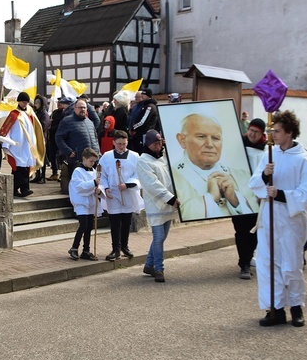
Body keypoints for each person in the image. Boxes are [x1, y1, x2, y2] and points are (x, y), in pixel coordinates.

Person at [248, 110, 307, 327]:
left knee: (290, 264)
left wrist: (281, 194)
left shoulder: (305, 159)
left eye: (277, 131)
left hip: (291, 219)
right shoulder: (269, 154)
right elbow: (254, 184)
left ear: (289, 132)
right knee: (268, 264)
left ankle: (296, 307)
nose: (273, 135)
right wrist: (263, 175)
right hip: (269, 217)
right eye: (272, 130)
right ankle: (275, 310)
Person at [171, 113, 258, 221]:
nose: (210, 144)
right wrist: (210, 198)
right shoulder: (172, 178)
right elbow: (178, 218)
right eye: (201, 136)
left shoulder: (242, 176)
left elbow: (257, 212)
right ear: (182, 140)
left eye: (216, 138)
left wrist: (234, 199)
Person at [137, 129, 179, 282]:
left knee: (162, 237)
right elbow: (152, 184)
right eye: (155, 143)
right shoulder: (143, 161)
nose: (158, 146)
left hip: (169, 203)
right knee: (159, 237)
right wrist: (170, 198)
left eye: (160, 142)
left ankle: (149, 265)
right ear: (148, 144)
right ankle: (159, 269)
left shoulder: (163, 158)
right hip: (156, 204)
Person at [99, 131, 143, 261]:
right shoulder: (106, 157)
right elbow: (101, 174)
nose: (121, 146)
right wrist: (105, 188)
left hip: (127, 193)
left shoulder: (135, 156)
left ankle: (125, 246)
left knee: (126, 222)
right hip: (113, 194)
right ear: (113, 142)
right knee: (115, 223)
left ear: (127, 142)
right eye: (119, 144)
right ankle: (115, 249)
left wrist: (128, 184)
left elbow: (139, 173)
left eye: (124, 144)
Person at [232, 118, 267, 279]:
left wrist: (263, 193)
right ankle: (244, 264)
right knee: (240, 231)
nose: (253, 134)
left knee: (254, 231)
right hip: (238, 196)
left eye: (257, 132)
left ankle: (248, 256)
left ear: (262, 134)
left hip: (256, 198)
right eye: (251, 130)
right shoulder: (237, 147)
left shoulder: (266, 152)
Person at [0, 92, 39, 198]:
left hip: (26, 145)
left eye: (26, 102)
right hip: (17, 145)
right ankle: (24, 188)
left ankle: (17, 188)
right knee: (19, 168)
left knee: (25, 167)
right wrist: (6, 143)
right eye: (23, 102)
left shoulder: (28, 114)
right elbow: (6, 129)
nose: (25, 104)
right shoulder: (13, 114)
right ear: (19, 101)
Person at [68, 147, 102, 261]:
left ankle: (86, 250)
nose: (92, 163)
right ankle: (74, 248)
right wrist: (93, 183)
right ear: (84, 158)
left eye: (94, 161)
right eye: (91, 161)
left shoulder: (93, 171)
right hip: (81, 202)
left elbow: (96, 186)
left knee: (89, 227)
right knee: (83, 225)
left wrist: (98, 190)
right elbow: (79, 187)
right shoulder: (77, 171)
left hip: (91, 202)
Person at [55, 99, 100, 173]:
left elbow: (95, 138)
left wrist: (97, 150)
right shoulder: (66, 121)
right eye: (80, 107)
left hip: (93, 161)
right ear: (75, 108)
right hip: (77, 161)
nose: (82, 109)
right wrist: (68, 151)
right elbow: (59, 138)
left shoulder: (89, 122)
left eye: (84, 108)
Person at [46, 97, 72, 181]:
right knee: (52, 155)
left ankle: (62, 173)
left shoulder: (65, 113)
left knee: (62, 156)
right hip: (53, 137)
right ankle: (54, 172)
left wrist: (51, 128)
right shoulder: (55, 112)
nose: (59, 104)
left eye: (61, 103)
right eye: (58, 102)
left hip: (61, 137)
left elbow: (62, 125)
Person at [129, 88, 160, 154]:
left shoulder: (150, 107)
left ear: (148, 95)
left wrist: (133, 128)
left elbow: (143, 121)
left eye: (144, 94)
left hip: (145, 134)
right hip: (141, 133)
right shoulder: (145, 105)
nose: (142, 96)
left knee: (142, 152)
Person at [30, 94, 50, 183]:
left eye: (38, 102)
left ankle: (43, 176)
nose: (36, 104)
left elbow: (43, 126)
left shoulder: (44, 114)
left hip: (42, 139)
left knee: (42, 158)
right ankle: (37, 175)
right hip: (35, 138)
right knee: (36, 157)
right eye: (35, 102)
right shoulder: (36, 113)